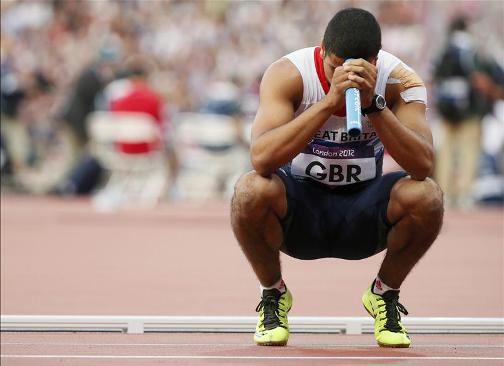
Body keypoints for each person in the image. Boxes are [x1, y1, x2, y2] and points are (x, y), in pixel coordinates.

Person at [230, 8, 443, 348]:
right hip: (302, 208)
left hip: (363, 210)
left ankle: (384, 295)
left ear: (375, 60)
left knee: (426, 196)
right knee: (249, 189)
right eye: (335, 67)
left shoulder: (401, 80)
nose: (344, 77)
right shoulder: (288, 74)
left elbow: (422, 165)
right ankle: (273, 295)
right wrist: (327, 104)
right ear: (322, 50)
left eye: (361, 68)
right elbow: (262, 159)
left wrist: (375, 106)